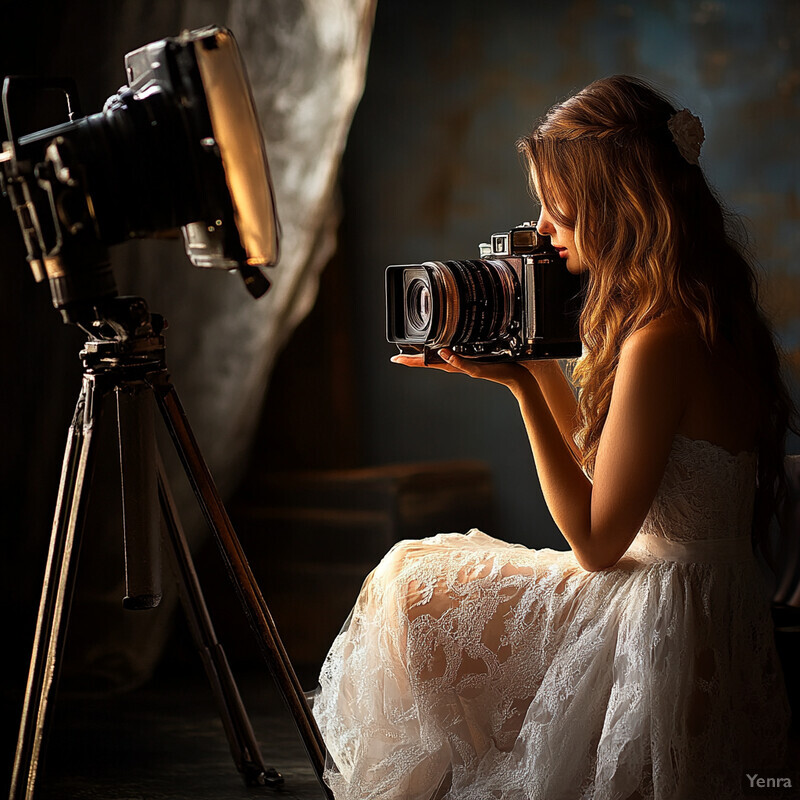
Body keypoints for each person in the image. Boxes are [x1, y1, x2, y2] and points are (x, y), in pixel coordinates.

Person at [311, 76, 796, 800]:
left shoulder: (661, 339)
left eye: (558, 207)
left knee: (409, 584)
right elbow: (621, 471)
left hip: (658, 618)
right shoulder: (701, 311)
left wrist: (523, 391)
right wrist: (532, 371)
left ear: (617, 208)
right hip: (704, 603)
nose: (541, 226)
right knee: (426, 582)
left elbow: (597, 543)